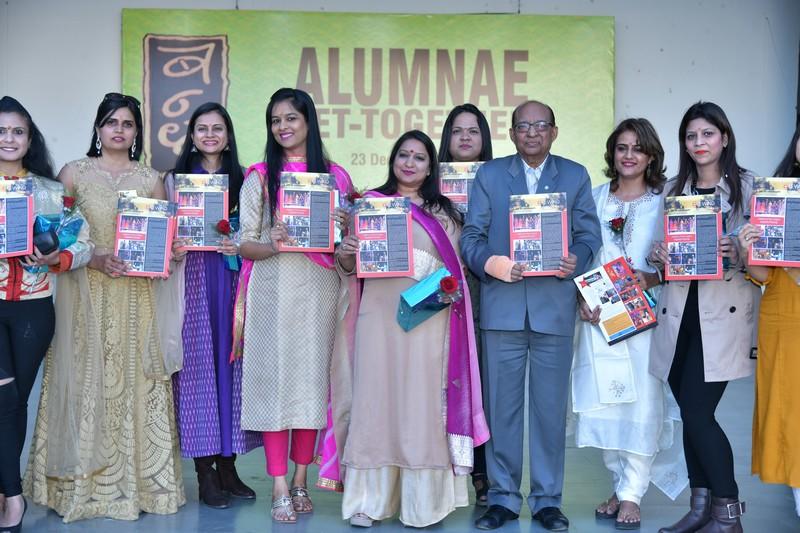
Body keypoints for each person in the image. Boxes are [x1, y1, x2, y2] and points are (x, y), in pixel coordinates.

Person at [24, 92, 186, 522]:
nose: (119, 130)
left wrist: (172, 254)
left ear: (136, 132)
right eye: (112, 122)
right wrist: (94, 256)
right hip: (85, 294)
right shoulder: (73, 173)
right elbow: (54, 234)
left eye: (127, 124)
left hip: (136, 297)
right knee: (84, 379)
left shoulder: (151, 180)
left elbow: (163, 242)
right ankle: (78, 487)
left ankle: (138, 487)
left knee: (133, 379)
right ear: (98, 128)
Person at [327, 129, 488, 528]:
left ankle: (423, 505)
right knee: (375, 402)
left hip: (428, 321)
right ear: (393, 160)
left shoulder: (446, 213)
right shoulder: (369, 205)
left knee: (421, 405)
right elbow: (348, 268)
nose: (410, 163)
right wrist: (346, 253)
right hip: (377, 318)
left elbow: (455, 273)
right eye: (403, 155)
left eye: (419, 157)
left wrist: (441, 288)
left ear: (431, 167)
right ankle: (368, 502)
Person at [461, 99, 602, 531]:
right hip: (502, 309)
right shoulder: (489, 175)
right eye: (523, 126)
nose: (532, 132)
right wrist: (493, 264)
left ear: (554, 131)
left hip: (553, 309)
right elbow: (471, 237)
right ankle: (502, 498)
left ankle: (547, 500)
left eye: (541, 125)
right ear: (511, 134)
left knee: (549, 413)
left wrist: (577, 258)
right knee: (501, 411)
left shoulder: (575, 175)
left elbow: (589, 235)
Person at [234, 87, 353, 523]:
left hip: (321, 290)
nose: (282, 127)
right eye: (275, 120)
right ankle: (280, 484)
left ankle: (302, 478)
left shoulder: (336, 178)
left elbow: (347, 251)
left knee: (312, 385)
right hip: (273, 291)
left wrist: (346, 228)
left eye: (291, 118)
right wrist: (272, 241)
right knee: (275, 386)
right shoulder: (260, 177)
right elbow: (243, 244)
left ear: (308, 122)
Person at [648, 101, 759, 533]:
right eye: (691, 136)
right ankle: (701, 509)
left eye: (707, 134)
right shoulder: (674, 189)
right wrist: (658, 254)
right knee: (690, 413)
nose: (699, 143)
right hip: (679, 314)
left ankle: (727, 514)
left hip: (723, 316)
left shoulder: (749, 188)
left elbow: (768, 254)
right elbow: (658, 250)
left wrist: (741, 251)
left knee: (698, 412)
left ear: (724, 138)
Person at [572, 118, 687, 530]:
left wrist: (653, 277)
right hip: (600, 319)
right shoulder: (595, 199)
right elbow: (582, 256)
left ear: (652, 155)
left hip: (647, 320)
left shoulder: (665, 201)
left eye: (638, 148)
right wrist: (580, 298)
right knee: (607, 403)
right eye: (622, 147)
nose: (629, 155)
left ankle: (633, 494)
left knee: (643, 404)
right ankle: (620, 486)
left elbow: (683, 259)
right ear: (612, 153)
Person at [0, 96, 92, 533]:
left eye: (17, 131)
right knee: (3, 398)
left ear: (29, 138)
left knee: (15, 402)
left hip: (34, 310)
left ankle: (3, 491)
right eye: (1, 131)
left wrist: (56, 257)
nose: (9, 139)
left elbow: (84, 244)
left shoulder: (51, 191)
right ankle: (14, 496)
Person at [164, 102, 260, 509]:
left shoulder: (245, 179)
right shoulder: (174, 180)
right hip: (192, 278)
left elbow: (254, 231)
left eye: (217, 128)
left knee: (232, 368)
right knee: (199, 370)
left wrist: (239, 241)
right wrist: (172, 246)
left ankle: (229, 466)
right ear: (191, 135)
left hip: (232, 278)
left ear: (228, 135)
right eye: (201, 128)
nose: (209, 135)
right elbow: (160, 231)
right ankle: (205, 471)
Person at [742, 123, 800, 518]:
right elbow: (762, 275)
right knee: (789, 411)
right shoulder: (774, 197)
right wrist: (749, 249)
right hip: (785, 313)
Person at [437, 103, 493, 507]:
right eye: (457, 131)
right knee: (444, 384)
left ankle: (484, 474)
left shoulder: (499, 179)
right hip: (442, 294)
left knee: (483, 386)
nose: (465, 138)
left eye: (473, 131)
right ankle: (441, 472)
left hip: (488, 292)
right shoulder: (429, 183)